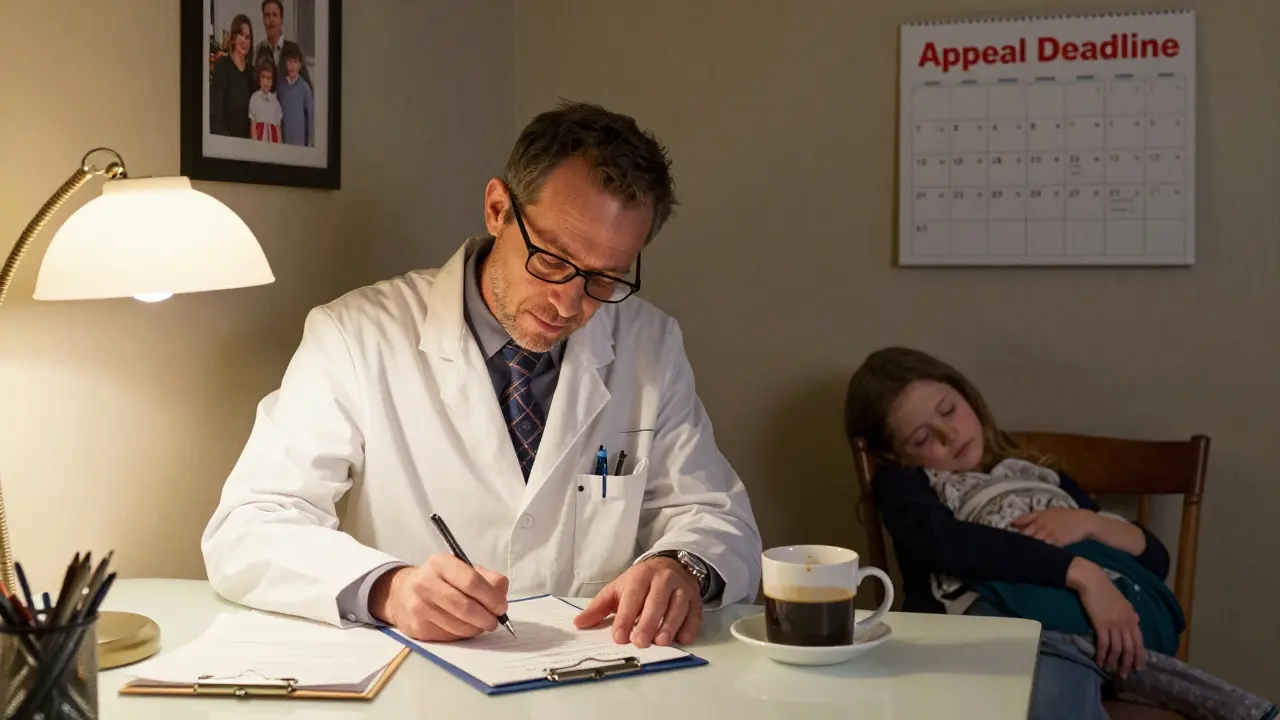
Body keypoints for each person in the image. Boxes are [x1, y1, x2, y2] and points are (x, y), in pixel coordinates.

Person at [202, 101, 763, 650]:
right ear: (498, 209)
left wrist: (681, 565)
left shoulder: (650, 344)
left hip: (595, 678)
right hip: (423, 680)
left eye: (604, 279)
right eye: (552, 259)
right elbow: (250, 526)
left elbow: (715, 514)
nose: (569, 303)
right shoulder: (355, 336)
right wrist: (388, 590)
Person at [844, 346, 1276, 720]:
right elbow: (950, 545)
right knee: (1046, 658)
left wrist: (1091, 524)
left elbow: (1153, 561)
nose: (949, 433)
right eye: (923, 437)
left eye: (948, 410)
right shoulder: (906, 485)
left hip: (1104, 622)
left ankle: (1122, 665)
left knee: (1062, 660)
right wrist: (1081, 574)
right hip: (995, 640)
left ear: (965, 393)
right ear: (894, 454)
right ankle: (1202, 694)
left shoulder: (1041, 476)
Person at [209, 14, 255, 138]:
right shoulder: (222, 66)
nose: (244, 41)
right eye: (241, 35)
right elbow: (216, 112)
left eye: (248, 37)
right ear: (233, 38)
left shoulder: (252, 73)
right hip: (225, 142)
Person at [255, 0, 310, 92]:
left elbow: (306, 87)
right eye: (267, 15)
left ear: (281, 19)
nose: (271, 20)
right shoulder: (260, 51)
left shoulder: (293, 50)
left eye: (275, 15)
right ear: (263, 20)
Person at [276, 44, 313, 147]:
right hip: (284, 140)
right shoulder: (281, 86)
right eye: (289, 62)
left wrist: (309, 143)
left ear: (300, 64)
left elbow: (310, 118)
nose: (292, 66)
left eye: (295, 62)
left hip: (300, 142)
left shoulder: (305, 88)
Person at [248, 58, 282, 143]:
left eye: (269, 78)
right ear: (259, 77)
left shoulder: (275, 102)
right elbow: (253, 127)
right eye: (263, 77)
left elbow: (278, 130)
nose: (265, 82)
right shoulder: (254, 98)